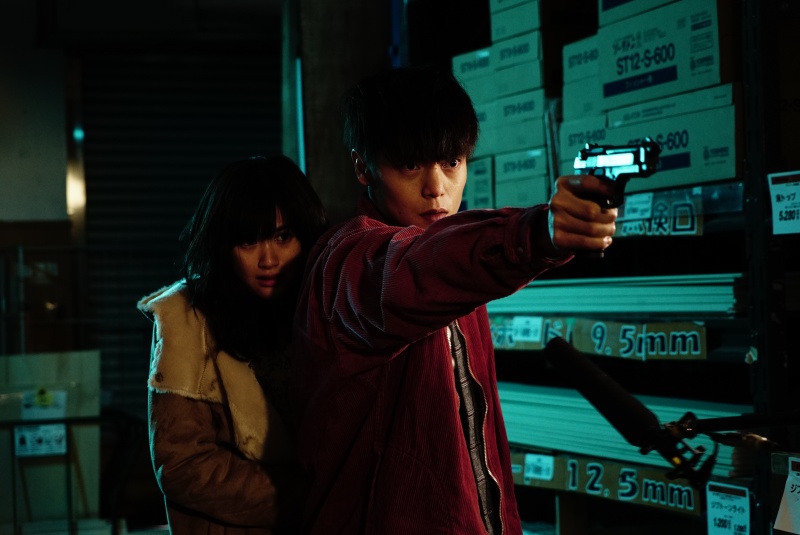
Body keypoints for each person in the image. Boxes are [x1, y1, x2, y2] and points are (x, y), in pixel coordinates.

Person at [291, 65, 619, 534]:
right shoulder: (346, 260)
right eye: (410, 165)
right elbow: (411, 270)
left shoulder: (456, 264)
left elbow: (483, 451)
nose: (436, 188)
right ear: (363, 167)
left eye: (451, 162)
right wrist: (537, 232)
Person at [137, 155, 328, 534]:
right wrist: (312, 496)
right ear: (222, 245)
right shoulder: (187, 317)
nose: (268, 260)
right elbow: (182, 465)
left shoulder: (327, 306)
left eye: (283, 237)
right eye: (248, 241)